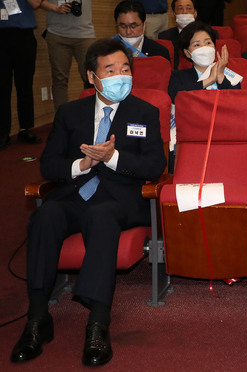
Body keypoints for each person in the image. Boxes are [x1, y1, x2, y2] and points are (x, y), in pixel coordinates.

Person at [10, 38, 166, 366]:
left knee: (102, 217)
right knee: (46, 216)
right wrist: (80, 165)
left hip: (120, 200)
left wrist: (112, 158)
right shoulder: (70, 113)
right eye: (110, 70)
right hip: (75, 194)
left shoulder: (145, 113)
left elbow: (155, 166)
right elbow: (48, 165)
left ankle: (97, 322)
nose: (120, 75)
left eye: (125, 69)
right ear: (92, 76)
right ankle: (38, 319)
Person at [39, 0, 96, 111]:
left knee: (91, 77)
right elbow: (37, 2)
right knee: (59, 79)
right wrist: (56, 8)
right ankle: (62, 119)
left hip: (84, 34)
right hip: (57, 34)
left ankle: (93, 115)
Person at [0, 0, 42, 149]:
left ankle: (25, 129)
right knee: (2, 87)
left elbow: (36, 3)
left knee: (24, 85)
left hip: (24, 36)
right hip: (1, 35)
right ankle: (3, 133)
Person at [168, 21, 240, 101]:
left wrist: (220, 77)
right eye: (197, 45)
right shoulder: (179, 76)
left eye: (208, 43)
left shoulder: (229, 76)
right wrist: (209, 80)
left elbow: (236, 101)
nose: (204, 47)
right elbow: (176, 96)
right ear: (187, 53)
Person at [159, 0, 219, 70]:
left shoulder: (210, 33)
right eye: (180, 8)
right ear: (174, 14)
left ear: (195, 13)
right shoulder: (164, 36)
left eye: (189, 8)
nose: (185, 12)